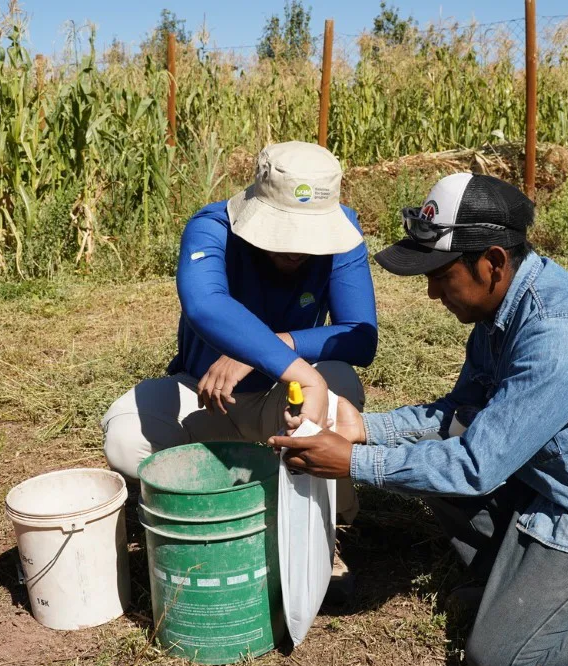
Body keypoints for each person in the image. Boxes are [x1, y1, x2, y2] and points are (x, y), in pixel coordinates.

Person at [270, 172, 568, 666]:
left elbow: (475, 466)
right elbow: (458, 415)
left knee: (498, 658)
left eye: (441, 274)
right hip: (545, 487)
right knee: (437, 453)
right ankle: (508, 581)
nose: (431, 292)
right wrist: (366, 428)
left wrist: (354, 462)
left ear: (492, 262)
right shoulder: (498, 316)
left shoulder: (561, 335)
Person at [102, 141, 377, 530]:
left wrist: (273, 349)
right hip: (205, 394)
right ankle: (224, 510)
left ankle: (326, 528)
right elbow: (204, 304)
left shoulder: (345, 233)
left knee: (340, 385)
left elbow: (360, 337)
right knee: (126, 438)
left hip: (288, 398)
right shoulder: (212, 226)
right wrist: (280, 357)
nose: (297, 249)